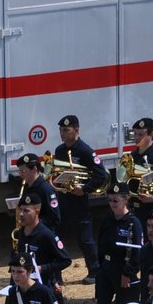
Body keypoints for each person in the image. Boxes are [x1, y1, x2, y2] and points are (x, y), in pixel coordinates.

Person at [75, 181, 143, 304]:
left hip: (123, 272)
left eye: (116, 201)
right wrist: (99, 269)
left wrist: (128, 273)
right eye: (110, 200)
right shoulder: (108, 219)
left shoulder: (132, 223)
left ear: (126, 200)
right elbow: (102, 244)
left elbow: (136, 252)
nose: (112, 204)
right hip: (106, 270)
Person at [52, 114, 107, 284]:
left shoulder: (85, 151)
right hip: (63, 198)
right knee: (56, 236)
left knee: (85, 238)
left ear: (76, 130)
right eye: (61, 130)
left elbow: (100, 175)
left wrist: (84, 189)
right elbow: (56, 172)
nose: (62, 133)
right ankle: (56, 274)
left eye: (66, 130)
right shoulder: (60, 150)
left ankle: (95, 270)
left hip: (78, 199)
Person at [10, 191, 71, 293]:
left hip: (43, 285)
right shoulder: (20, 233)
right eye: (20, 210)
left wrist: (42, 268)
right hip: (23, 285)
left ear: (37, 211)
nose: (21, 214)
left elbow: (65, 260)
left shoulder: (46, 235)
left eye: (26, 211)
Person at [13, 152, 63, 235]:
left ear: (34, 169)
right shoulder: (26, 187)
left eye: (24, 171)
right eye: (20, 171)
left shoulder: (46, 190)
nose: (21, 174)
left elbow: (55, 219)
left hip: (43, 235)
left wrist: (32, 222)